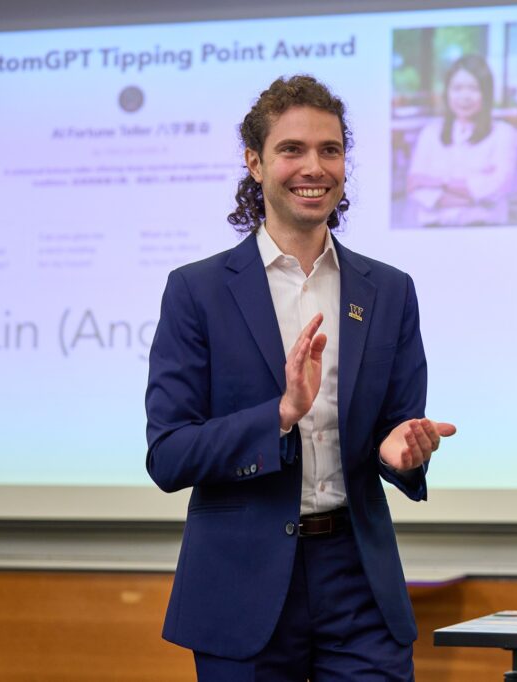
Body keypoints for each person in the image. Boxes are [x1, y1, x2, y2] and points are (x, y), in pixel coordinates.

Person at [145, 74, 456, 681]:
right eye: (292, 150)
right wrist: (280, 414)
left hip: (358, 579)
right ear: (255, 163)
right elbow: (169, 455)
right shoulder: (197, 292)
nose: (314, 166)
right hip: (243, 585)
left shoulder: (389, 291)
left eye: (330, 150)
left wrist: (400, 453)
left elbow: (396, 430)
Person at [406, 54, 517, 226]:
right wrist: (476, 195)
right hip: (432, 232)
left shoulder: (503, 133)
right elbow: (415, 186)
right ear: (447, 93)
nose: (464, 96)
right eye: (457, 88)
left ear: (486, 93)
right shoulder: (429, 133)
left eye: (473, 89)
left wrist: (438, 182)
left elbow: (498, 187)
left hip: (486, 231)